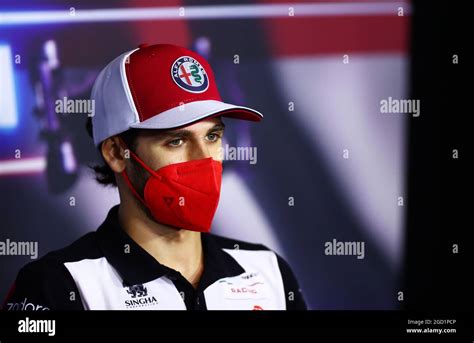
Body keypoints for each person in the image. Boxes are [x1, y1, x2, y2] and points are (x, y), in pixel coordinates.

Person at [3, 44, 307, 310]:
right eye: (176, 141)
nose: (204, 157)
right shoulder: (56, 286)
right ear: (115, 153)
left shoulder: (268, 271)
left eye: (213, 136)